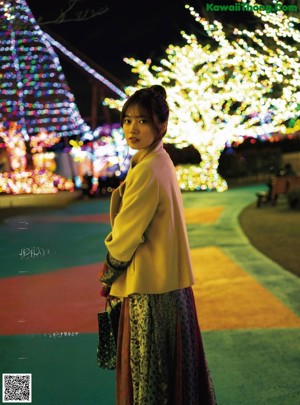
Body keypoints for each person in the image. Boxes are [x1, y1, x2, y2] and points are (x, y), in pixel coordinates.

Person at [99, 85, 217, 405]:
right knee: (174, 373)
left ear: (161, 126)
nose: (132, 129)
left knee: (150, 378)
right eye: (127, 120)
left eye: (143, 121)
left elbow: (125, 236)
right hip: (171, 284)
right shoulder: (159, 159)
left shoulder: (148, 169)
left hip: (149, 288)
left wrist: (108, 273)